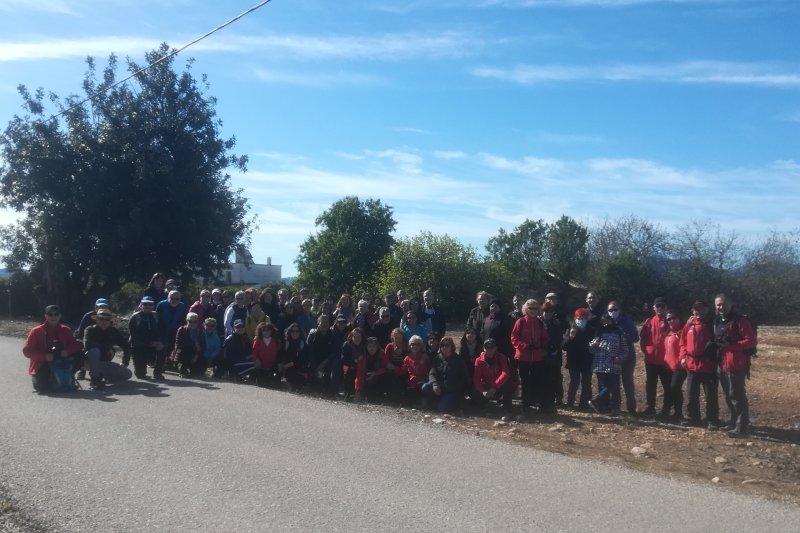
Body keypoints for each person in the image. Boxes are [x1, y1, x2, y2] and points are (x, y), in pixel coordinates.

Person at [714, 293, 757, 436]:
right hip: (722, 363)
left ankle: (742, 427)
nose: (721, 307)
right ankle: (733, 421)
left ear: (731, 304)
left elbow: (751, 341)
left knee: (737, 395)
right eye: (718, 304)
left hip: (736, 363)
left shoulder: (740, 320)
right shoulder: (718, 320)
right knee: (728, 394)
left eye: (723, 304)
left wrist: (731, 345)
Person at [679, 300, 721, 430]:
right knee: (691, 394)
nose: (698, 312)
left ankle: (712, 419)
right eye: (695, 309)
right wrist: (682, 356)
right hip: (691, 365)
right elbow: (682, 341)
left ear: (707, 309)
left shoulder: (713, 324)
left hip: (708, 365)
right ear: (692, 311)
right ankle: (693, 418)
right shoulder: (690, 324)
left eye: (701, 309)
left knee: (711, 395)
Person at [23, 305, 85, 392]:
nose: (53, 317)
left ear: (60, 316)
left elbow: (77, 345)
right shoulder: (36, 331)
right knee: (43, 388)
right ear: (45, 316)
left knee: (81, 355)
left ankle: (68, 375)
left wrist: (67, 351)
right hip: (43, 363)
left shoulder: (66, 329)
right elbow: (27, 351)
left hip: (62, 360)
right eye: (50, 314)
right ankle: (38, 379)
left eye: (56, 314)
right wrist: (45, 356)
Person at [510, 299, 550, 418]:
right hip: (523, 357)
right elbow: (513, 338)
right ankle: (525, 405)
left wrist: (543, 346)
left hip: (537, 357)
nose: (533, 310)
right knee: (525, 382)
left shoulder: (539, 323)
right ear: (526, 309)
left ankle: (535, 402)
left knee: (536, 381)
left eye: (535, 308)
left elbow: (544, 337)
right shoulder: (520, 322)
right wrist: (525, 346)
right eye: (531, 308)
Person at [639, 297, 673, 417]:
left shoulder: (671, 320)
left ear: (666, 307)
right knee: (650, 385)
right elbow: (643, 339)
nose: (660, 308)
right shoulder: (649, 322)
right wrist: (646, 351)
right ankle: (650, 407)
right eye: (657, 306)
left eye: (662, 306)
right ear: (653, 307)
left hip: (666, 361)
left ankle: (666, 409)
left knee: (668, 385)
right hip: (651, 360)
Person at [83, 308, 133, 390]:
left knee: (127, 374)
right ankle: (95, 380)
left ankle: (103, 375)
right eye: (101, 318)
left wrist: (125, 362)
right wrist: (106, 348)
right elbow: (87, 345)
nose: (104, 321)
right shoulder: (89, 329)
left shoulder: (113, 331)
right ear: (97, 319)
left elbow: (126, 345)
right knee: (95, 351)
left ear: (110, 321)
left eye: (107, 319)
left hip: (104, 363)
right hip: (87, 362)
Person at [588, 314, 628, 415]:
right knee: (603, 387)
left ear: (612, 321)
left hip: (613, 364)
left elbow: (625, 350)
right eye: (604, 322)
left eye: (608, 321)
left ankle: (598, 400)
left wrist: (621, 357)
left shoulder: (619, 333)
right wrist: (594, 345)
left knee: (612, 386)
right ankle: (604, 408)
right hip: (600, 364)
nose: (606, 324)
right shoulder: (599, 333)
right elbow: (591, 350)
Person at [607, 301, 639, 416]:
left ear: (620, 310)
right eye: (610, 310)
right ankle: (615, 407)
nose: (613, 312)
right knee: (615, 382)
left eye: (615, 309)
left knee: (628, 382)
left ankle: (632, 408)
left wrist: (624, 337)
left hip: (628, 357)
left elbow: (636, 338)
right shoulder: (608, 322)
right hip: (614, 357)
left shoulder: (627, 322)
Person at [423, 335, 468, 413]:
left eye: (447, 345)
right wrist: (435, 384)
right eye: (442, 345)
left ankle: (454, 402)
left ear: (452, 346)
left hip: (452, 390)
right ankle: (436, 399)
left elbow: (464, 377)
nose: (444, 347)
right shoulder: (438, 358)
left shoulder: (458, 360)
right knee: (425, 387)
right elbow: (432, 373)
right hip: (440, 386)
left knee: (441, 408)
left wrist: (456, 389)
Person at [472, 338, 516, 412]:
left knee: (509, 385)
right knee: (473, 391)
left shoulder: (501, 357)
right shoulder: (478, 360)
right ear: (483, 348)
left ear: (495, 348)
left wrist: (494, 387)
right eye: (487, 347)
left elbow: (506, 373)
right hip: (487, 387)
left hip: (499, 386)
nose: (489, 350)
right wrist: (483, 391)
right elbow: (476, 379)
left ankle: (507, 408)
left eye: (491, 347)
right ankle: (483, 404)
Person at [563, 308, 595, 409]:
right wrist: (570, 338)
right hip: (574, 361)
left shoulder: (591, 330)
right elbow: (564, 346)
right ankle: (570, 403)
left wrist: (594, 346)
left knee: (586, 383)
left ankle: (584, 403)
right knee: (574, 382)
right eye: (579, 318)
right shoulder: (571, 330)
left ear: (587, 318)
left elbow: (594, 346)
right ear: (575, 318)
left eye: (584, 318)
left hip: (587, 361)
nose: (581, 320)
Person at [128, 296, 164, 379]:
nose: (148, 306)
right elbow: (134, 336)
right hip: (139, 346)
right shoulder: (134, 317)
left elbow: (162, 331)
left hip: (154, 345)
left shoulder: (156, 316)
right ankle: (141, 369)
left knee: (163, 348)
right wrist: (150, 343)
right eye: (145, 304)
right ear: (141, 305)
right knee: (140, 375)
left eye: (150, 304)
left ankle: (158, 373)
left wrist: (160, 342)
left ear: (153, 306)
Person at [541, 300, 568, 406]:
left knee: (556, 377)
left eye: (551, 311)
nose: (548, 313)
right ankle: (541, 397)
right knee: (542, 377)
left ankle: (558, 398)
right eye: (546, 310)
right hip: (540, 354)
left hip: (554, 354)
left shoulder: (557, 324)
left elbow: (560, 340)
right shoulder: (538, 323)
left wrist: (553, 350)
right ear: (542, 311)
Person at [662, 310, 685, 423]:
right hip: (668, 366)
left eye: (673, 318)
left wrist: (682, 359)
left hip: (679, 367)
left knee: (675, 388)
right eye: (668, 319)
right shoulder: (668, 332)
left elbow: (684, 347)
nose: (671, 320)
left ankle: (679, 413)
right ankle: (667, 410)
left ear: (679, 318)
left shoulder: (682, 332)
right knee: (669, 389)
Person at [156, 290, 187, 371]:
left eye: (177, 299)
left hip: (175, 330)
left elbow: (183, 320)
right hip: (162, 329)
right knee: (162, 347)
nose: (175, 300)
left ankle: (171, 363)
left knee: (174, 346)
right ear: (168, 297)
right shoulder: (161, 304)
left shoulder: (182, 306)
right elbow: (157, 319)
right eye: (172, 298)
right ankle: (160, 365)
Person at [171, 312, 207, 377]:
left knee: (198, 370)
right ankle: (182, 369)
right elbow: (178, 344)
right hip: (183, 353)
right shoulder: (181, 329)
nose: (193, 323)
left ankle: (194, 370)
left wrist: (197, 355)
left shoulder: (200, 332)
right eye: (190, 321)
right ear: (187, 320)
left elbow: (203, 347)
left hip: (196, 353)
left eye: (195, 321)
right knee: (187, 350)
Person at [306, 315, 335, 393]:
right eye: (322, 322)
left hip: (326, 363)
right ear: (318, 323)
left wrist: (323, 363)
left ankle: (327, 389)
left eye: (326, 322)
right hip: (313, 362)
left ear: (329, 324)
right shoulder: (312, 335)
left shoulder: (332, 336)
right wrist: (316, 366)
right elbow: (309, 352)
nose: (324, 324)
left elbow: (333, 352)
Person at [355, 337, 388, 401]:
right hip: (366, 381)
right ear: (366, 347)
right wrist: (357, 391)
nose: (372, 348)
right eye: (369, 346)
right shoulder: (362, 358)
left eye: (374, 346)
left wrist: (375, 373)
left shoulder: (381, 354)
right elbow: (359, 375)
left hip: (379, 379)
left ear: (377, 347)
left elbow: (386, 368)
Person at [402, 335, 430, 406]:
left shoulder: (425, 356)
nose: (415, 346)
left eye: (417, 344)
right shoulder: (407, 358)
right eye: (413, 344)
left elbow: (428, 372)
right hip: (411, 382)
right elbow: (403, 372)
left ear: (421, 346)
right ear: (410, 345)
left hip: (422, 381)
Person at [251, 322, 281, 387]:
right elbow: (254, 354)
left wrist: (279, 364)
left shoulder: (276, 341)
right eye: (263, 330)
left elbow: (279, 354)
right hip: (261, 366)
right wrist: (256, 360)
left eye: (268, 330)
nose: (266, 332)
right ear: (260, 331)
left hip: (273, 366)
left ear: (271, 331)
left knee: (275, 384)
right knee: (262, 383)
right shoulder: (257, 341)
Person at [281, 323, 308, 391]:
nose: (295, 333)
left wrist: (292, 363)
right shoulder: (286, 343)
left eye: (297, 331)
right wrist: (284, 365)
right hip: (287, 369)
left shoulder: (303, 344)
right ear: (290, 332)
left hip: (300, 368)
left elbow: (304, 359)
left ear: (300, 332)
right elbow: (281, 356)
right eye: (293, 331)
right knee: (291, 373)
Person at [341, 327, 367, 397]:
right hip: (350, 366)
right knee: (348, 373)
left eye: (359, 337)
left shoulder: (365, 346)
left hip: (361, 367)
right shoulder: (346, 344)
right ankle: (348, 392)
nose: (357, 338)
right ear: (351, 337)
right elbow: (343, 359)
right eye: (355, 336)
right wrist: (355, 362)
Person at [384, 327, 408, 402]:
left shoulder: (406, 347)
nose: (397, 340)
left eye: (399, 338)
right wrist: (390, 366)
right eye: (395, 338)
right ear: (392, 338)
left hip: (402, 368)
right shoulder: (390, 346)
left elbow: (407, 360)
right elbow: (385, 359)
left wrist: (396, 368)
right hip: (390, 368)